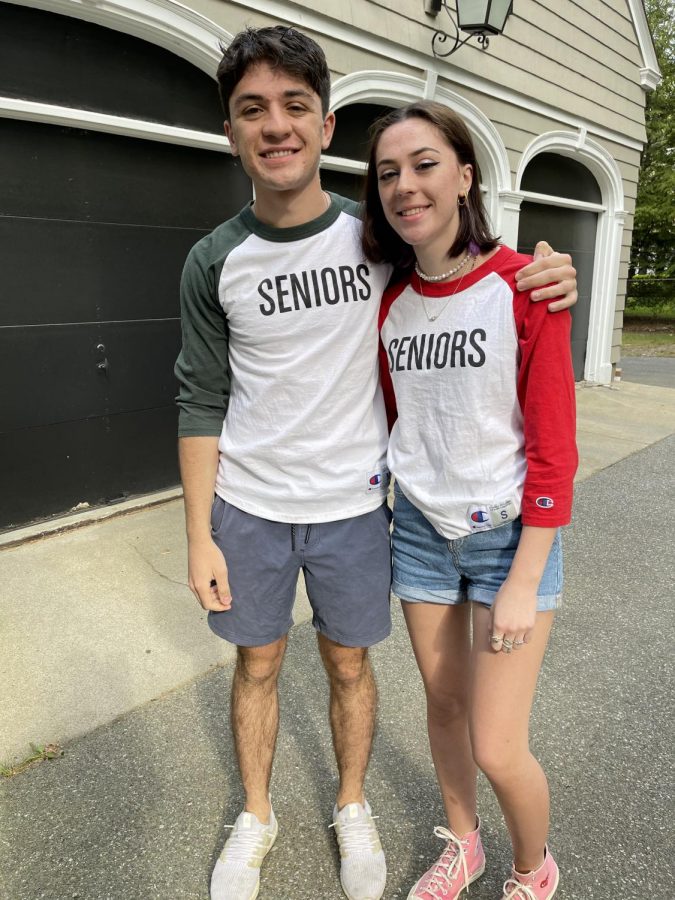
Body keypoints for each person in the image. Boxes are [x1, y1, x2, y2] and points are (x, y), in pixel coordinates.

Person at [174, 26, 578, 900]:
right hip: (257, 507)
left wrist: (547, 271)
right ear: (232, 131)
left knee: (355, 667)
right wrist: (199, 533)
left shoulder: (377, 242)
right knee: (261, 666)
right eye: (252, 110)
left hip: (361, 511)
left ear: (324, 128)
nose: (274, 125)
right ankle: (258, 816)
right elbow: (199, 399)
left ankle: (354, 807)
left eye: (294, 107)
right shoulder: (215, 260)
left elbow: (463, 266)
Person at [363, 100, 577, 900]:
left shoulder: (525, 286)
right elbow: (401, 417)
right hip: (419, 531)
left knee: (496, 743)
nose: (404, 185)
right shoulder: (388, 301)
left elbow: (555, 448)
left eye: (423, 164)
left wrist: (524, 578)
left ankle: (533, 869)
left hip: (508, 539)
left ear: (463, 174)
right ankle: (465, 843)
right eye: (387, 172)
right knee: (444, 708)